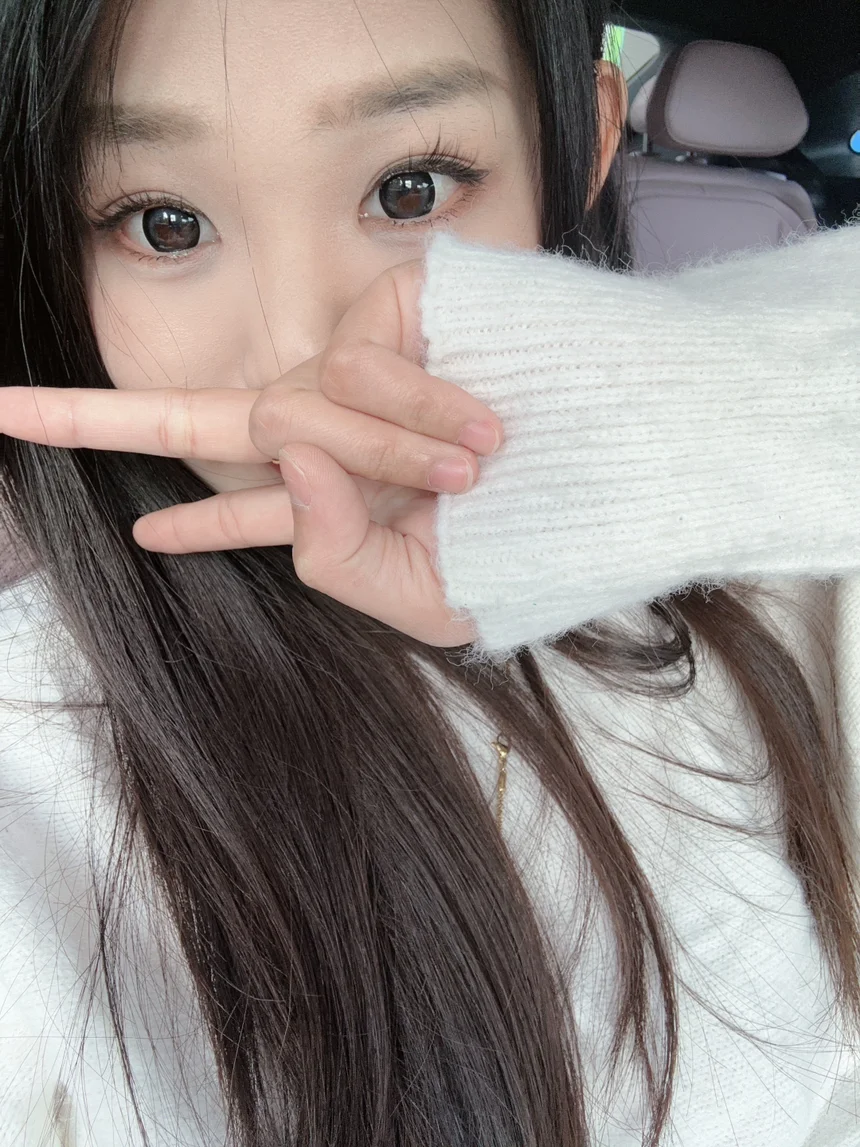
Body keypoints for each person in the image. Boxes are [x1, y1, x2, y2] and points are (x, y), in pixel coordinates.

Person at [0, 0, 859, 1143]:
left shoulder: (779, 590)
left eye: (409, 190)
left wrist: (686, 418)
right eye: (163, 224)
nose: (297, 351)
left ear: (581, 146)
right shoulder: (39, 764)